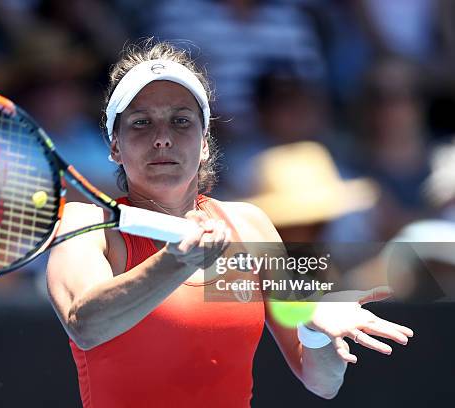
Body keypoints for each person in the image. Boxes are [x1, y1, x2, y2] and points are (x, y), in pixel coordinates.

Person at [45, 40, 413, 407]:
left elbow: (322, 381)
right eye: (141, 122)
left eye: (181, 120)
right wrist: (175, 263)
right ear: (114, 145)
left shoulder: (249, 226)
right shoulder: (87, 224)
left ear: (204, 142)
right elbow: (85, 325)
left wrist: (314, 329)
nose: (162, 138)